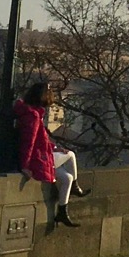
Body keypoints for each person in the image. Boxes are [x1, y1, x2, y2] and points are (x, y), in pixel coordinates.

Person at [14, 81, 87, 228]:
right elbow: (30, 142)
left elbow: (41, 140)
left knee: (67, 177)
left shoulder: (31, 112)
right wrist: (25, 165)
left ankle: (62, 212)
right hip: (38, 160)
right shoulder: (34, 116)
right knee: (71, 155)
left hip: (41, 155)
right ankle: (75, 188)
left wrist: (55, 148)